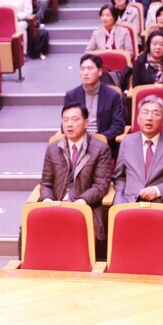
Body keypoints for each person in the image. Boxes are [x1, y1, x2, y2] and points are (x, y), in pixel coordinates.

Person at [40, 103, 114, 255]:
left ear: (86, 123)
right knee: (31, 227)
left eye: (74, 119)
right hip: (56, 204)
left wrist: (82, 201)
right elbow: (46, 183)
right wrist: (47, 199)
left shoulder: (100, 149)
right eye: (65, 120)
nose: (69, 124)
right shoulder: (53, 148)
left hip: (86, 206)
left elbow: (101, 185)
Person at [112, 95, 163, 205]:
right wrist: (120, 200)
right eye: (145, 112)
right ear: (138, 119)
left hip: (161, 204)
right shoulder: (127, 142)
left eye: (155, 113)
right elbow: (119, 177)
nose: (149, 117)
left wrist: (158, 190)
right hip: (129, 204)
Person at [64, 53, 126, 151]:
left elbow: (118, 125)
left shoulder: (113, 96)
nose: (85, 72)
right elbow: (66, 123)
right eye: (82, 69)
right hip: (78, 142)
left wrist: (98, 139)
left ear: (100, 71)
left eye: (89, 68)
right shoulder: (71, 96)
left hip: (103, 144)